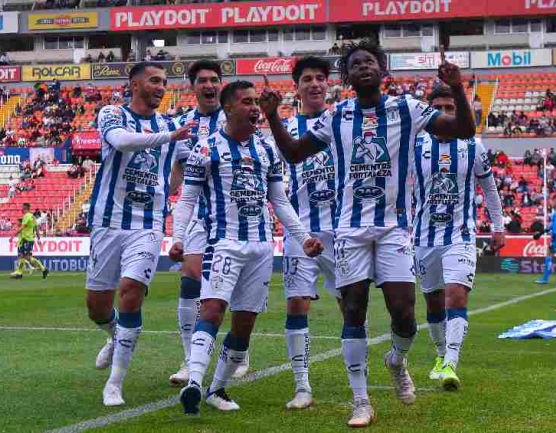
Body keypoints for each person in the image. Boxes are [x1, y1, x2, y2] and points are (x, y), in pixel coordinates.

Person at [260, 42, 475, 427]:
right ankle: (361, 401)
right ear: (347, 77)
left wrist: (457, 88)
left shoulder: (406, 108)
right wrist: (273, 115)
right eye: (355, 64)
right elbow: (293, 153)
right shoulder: (337, 116)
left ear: (382, 70)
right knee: (354, 309)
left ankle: (396, 360)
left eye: (369, 62)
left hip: (394, 228)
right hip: (351, 230)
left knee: (405, 315)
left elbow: (463, 128)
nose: (363, 67)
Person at [169, 80, 324, 416]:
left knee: (244, 323)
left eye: (256, 102)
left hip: (261, 247)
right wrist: (178, 238)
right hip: (223, 243)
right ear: (228, 108)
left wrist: (303, 237)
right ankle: (195, 381)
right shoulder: (206, 149)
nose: (255, 107)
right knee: (211, 309)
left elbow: (279, 201)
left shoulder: (267, 150)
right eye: (247, 102)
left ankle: (217, 388)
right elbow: (187, 199)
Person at [83, 62, 193, 407]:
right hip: (108, 221)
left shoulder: (170, 124)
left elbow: (182, 165)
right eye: (154, 80)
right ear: (135, 84)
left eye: (164, 82)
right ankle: (114, 334)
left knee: (130, 292)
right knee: (96, 307)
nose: (161, 87)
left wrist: (168, 188)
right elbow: (121, 142)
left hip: (147, 225)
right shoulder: (112, 114)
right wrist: (169, 137)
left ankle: (115, 383)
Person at [411, 84, 505, 391]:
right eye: (439, 108)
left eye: (451, 108)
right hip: (423, 238)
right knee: (433, 300)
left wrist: (498, 225)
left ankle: (451, 363)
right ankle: (440, 355)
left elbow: (489, 188)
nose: (445, 114)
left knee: (456, 295)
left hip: (460, 235)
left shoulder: (473, 145)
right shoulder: (415, 144)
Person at [279, 57, 340, 410]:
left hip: (342, 230)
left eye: (320, 78)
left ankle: (355, 374)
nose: (314, 84)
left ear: (327, 84)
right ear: (297, 86)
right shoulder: (286, 129)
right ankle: (302, 386)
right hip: (301, 228)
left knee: (351, 306)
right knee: (297, 303)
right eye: (307, 79)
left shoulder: (343, 122)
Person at [168, 60, 232, 386]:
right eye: (203, 80)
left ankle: (238, 352)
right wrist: (164, 193)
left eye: (214, 79)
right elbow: (178, 171)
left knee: (225, 287)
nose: (209, 85)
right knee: (190, 279)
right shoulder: (181, 124)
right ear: (193, 86)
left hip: (230, 214)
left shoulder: (233, 117)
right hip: (196, 213)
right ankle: (188, 357)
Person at [10, 203, 49, 280]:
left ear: (25, 208)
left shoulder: (27, 216)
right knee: (22, 256)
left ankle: (43, 269)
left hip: (27, 239)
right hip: (28, 239)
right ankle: (19, 273)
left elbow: (22, 227)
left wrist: (13, 236)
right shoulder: (32, 217)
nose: (21, 209)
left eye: (22, 208)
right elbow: (36, 228)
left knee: (27, 257)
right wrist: (38, 239)